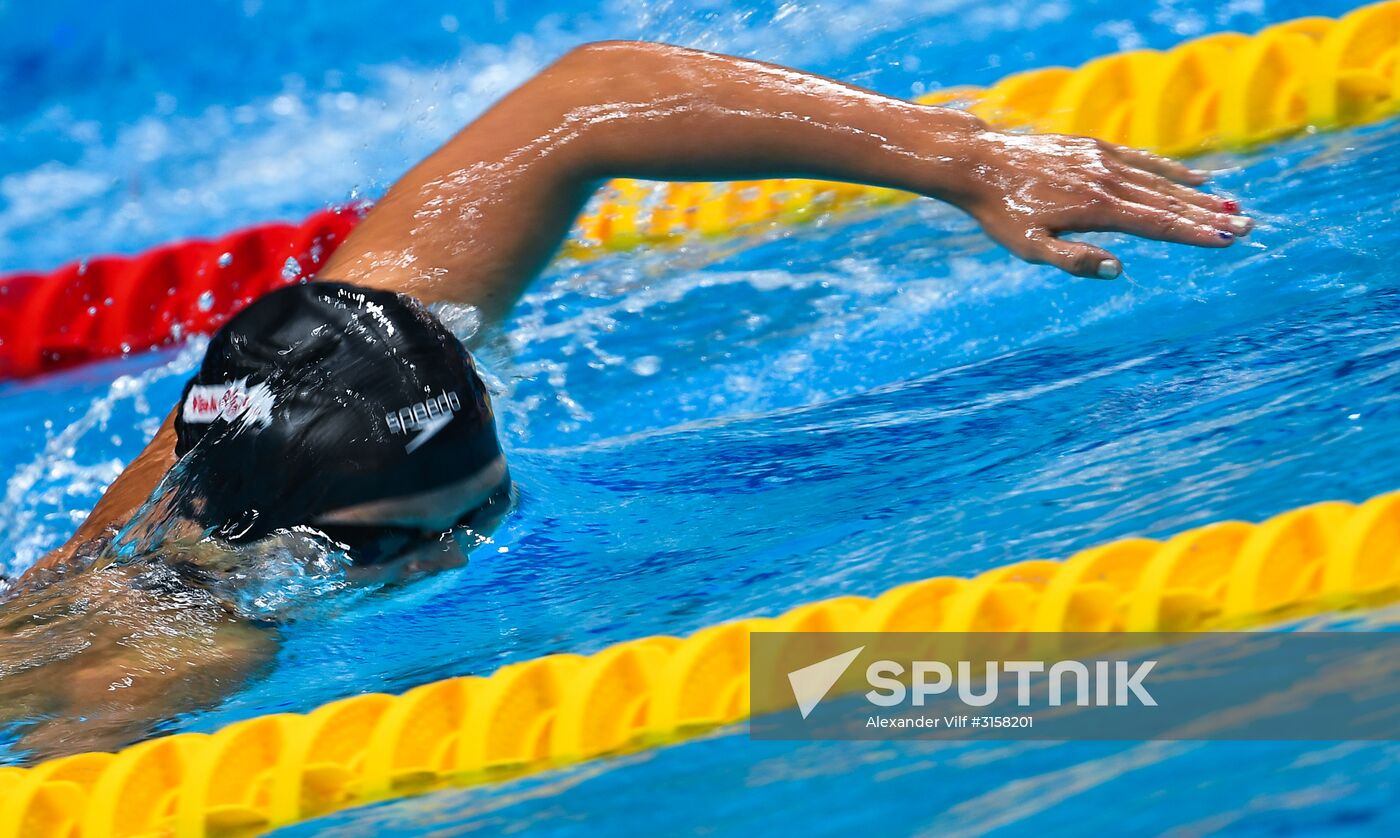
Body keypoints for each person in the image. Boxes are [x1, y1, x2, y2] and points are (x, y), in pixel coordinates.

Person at [0, 41, 1250, 758]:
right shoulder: (172, 662)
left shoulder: (282, 394)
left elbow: (580, 104)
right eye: (418, 538)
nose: (455, 551)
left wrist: (966, 157)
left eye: (482, 508)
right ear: (274, 542)